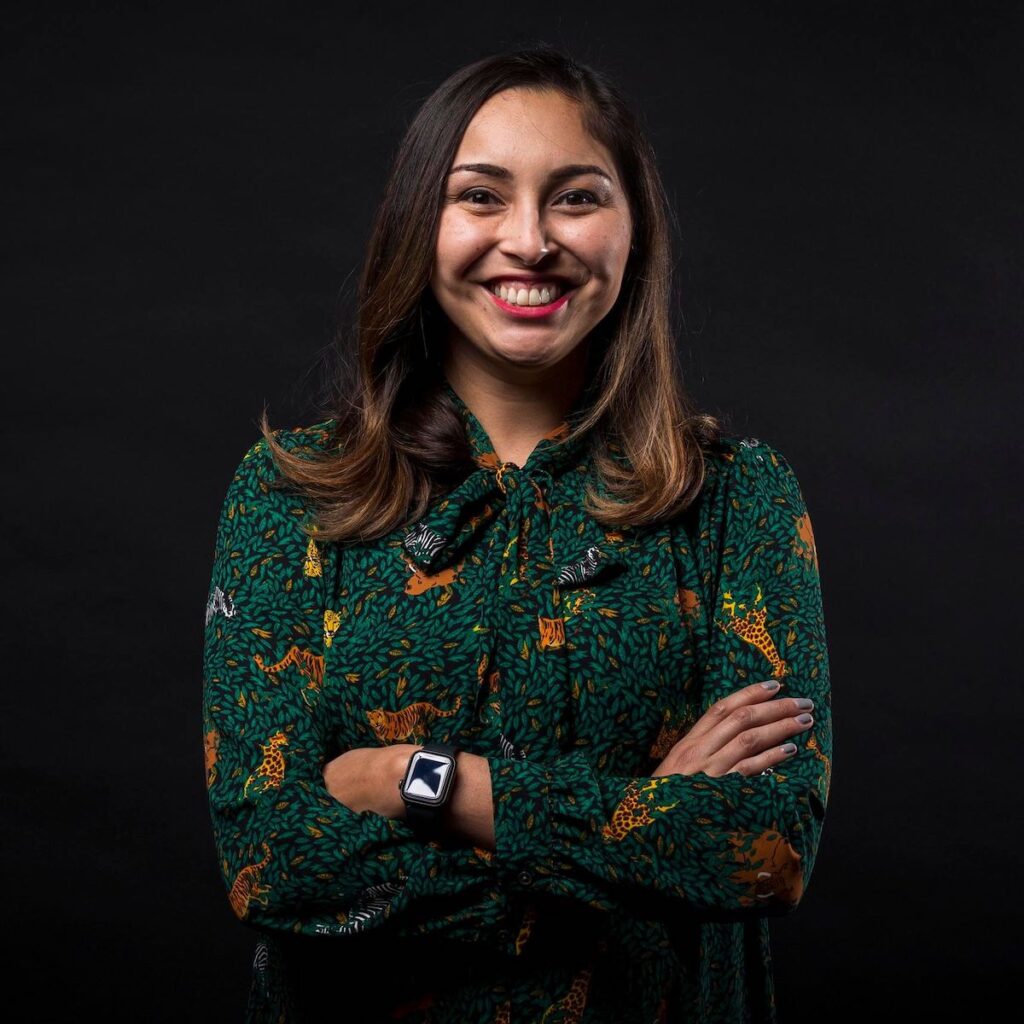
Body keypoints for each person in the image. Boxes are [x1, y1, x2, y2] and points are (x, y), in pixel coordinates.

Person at [201, 44, 832, 1024]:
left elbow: (764, 845)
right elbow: (270, 861)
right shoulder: (291, 494)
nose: (529, 240)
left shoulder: (735, 502)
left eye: (575, 197)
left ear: (635, 229)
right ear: (422, 223)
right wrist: (640, 840)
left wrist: (426, 782)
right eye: (480, 197)